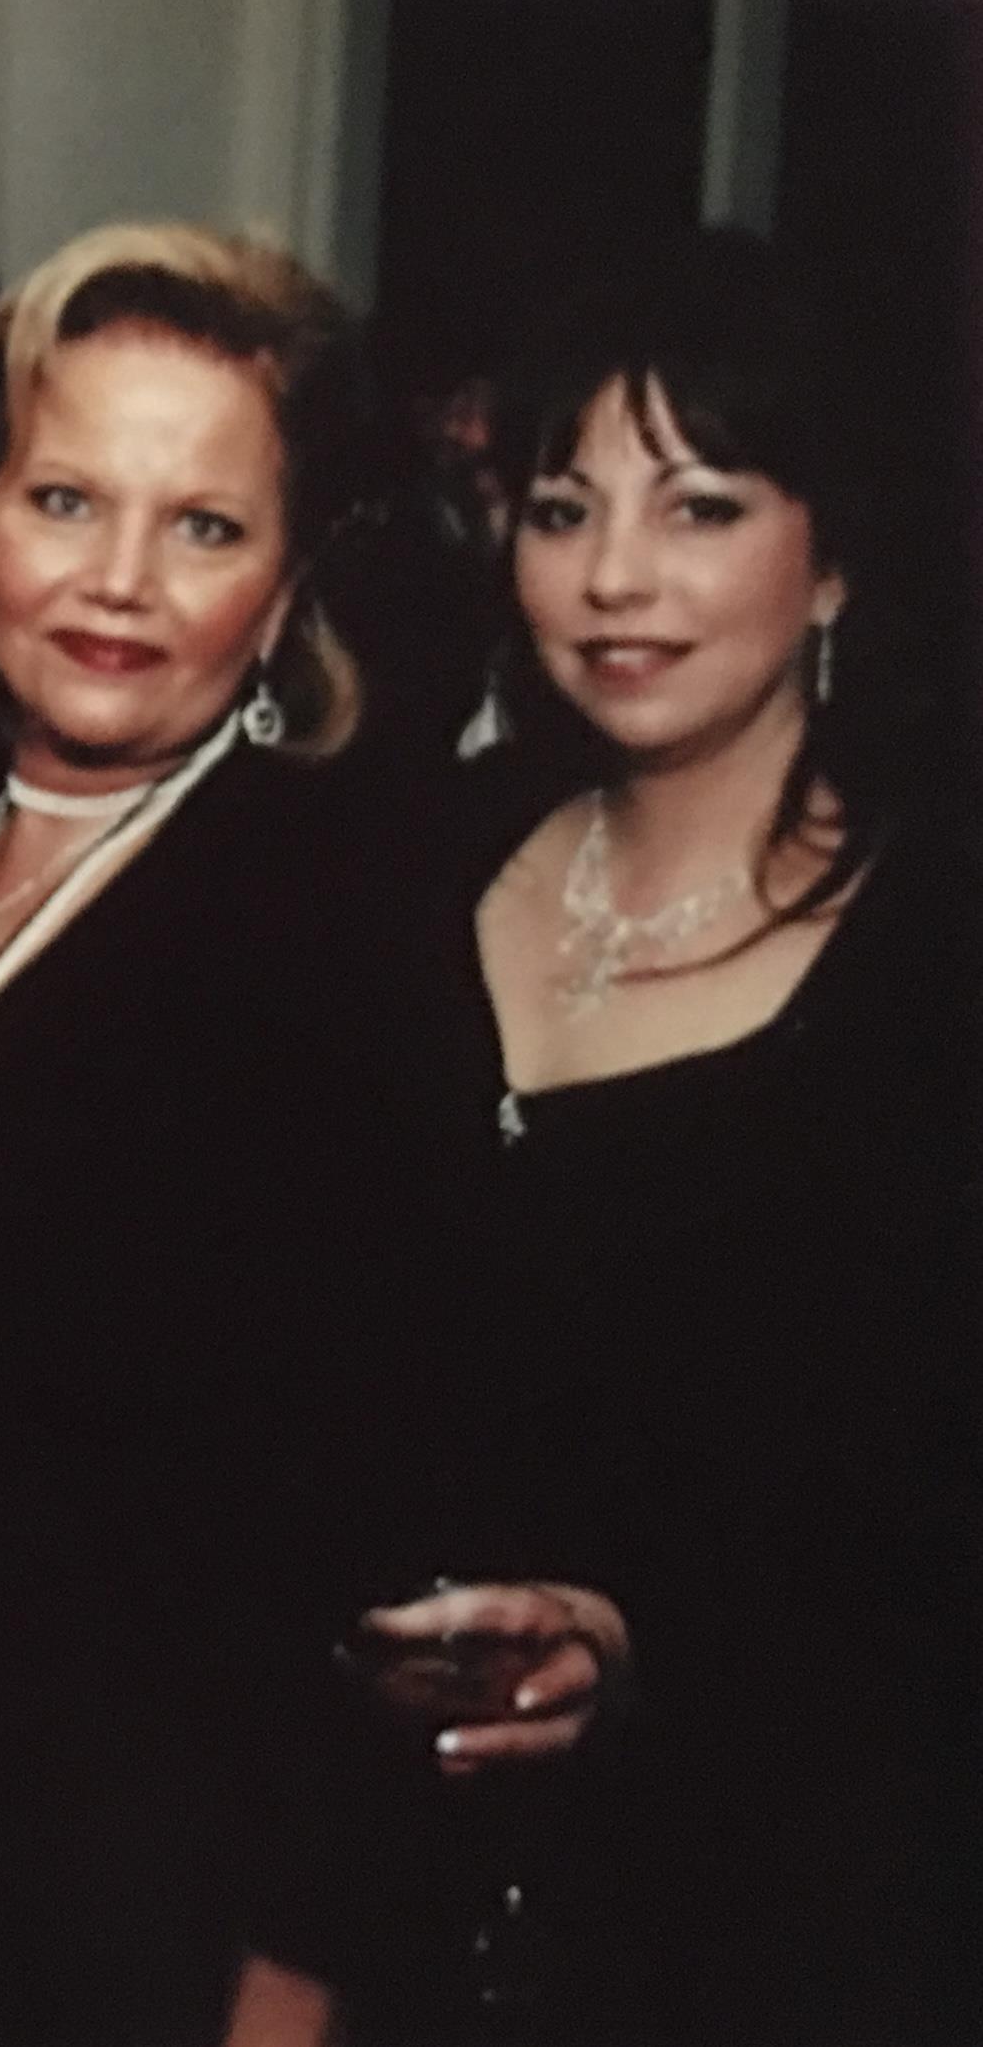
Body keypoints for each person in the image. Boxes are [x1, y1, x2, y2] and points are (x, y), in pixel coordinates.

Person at [248, 228, 981, 2044]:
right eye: (564, 509)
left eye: (702, 507)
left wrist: (650, 1643)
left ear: (836, 562)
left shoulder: (932, 955)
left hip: (772, 1912)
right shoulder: (417, 858)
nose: (614, 581)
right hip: (379, 1888)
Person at [0, 219, 377, 2047]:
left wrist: (284, 1993)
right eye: (65, 498)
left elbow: (341, 1530)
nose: (116, 581)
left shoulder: (316, 936)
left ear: (284, 593)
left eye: (204, 526)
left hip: (88, 1919)